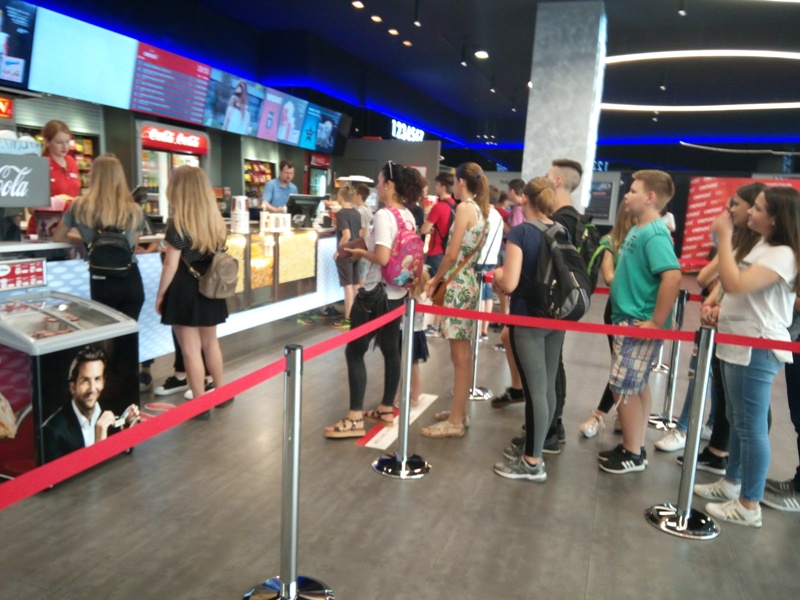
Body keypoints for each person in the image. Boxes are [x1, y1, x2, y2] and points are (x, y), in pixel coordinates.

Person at [695, 186, 800, 527]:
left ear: (776, 218)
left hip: (758, 346)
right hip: (739, 341)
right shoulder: (764, 246)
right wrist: (718, 310)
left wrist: (725, 238)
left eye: (757, 208)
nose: (750, 212)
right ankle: (733, 483)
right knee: (736, 417)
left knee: (750, 426)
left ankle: (749, 504)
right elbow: (740, 294)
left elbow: (736, 284)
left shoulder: (783, 253)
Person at [655, 182, 765, 455]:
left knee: (746, 411)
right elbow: (707, 279)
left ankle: (690, 432)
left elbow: (734, 285)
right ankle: (708, 439)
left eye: (737, 205)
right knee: (717, 385)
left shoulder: (762, 250)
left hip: (749, 335)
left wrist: (725, 241)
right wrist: (710, 303)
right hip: (722, 326)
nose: (729, 210)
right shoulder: (740, 245)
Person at [323, 161, 421, 438]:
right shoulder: (407, 215)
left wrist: (359, 255)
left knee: (355, 351)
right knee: (391, 349)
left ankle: (354, 418)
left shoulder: (384, 215)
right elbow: (378, 243)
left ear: (389, 185)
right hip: (396, 293)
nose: (377, 186)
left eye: (379, 181)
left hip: (374, 293)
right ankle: (386, 408)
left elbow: (382, 257)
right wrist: (352, 246)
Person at [597, 170, 681, 474]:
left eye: (633, 190)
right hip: (628, 318)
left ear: (650, 197)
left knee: (624, 386)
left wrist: (656, 322)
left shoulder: (654, 233)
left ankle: (632, 452)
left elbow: (672, 276)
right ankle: (635, 445)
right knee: (634, 384)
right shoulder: (638, 229)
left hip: (637, 322)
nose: (627, 195)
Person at [492, 177, 563, 482]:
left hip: (528, 318)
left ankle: (532, 462)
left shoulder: (520, 233)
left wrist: (498, 275)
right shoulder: (561, 230)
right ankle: (536, 446)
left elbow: (509, 283)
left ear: (525, 200)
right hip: (556, 317)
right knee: (546, 387)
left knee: (535, 391)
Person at [52, 155, 145, 370]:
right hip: (131, 279)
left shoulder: (79, 206)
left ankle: (104, 383)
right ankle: (127, 383)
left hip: (102, 280)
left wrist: (87, 241)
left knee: (104, 339)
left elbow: (58, 237)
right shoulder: (134, 210)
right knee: (128, 339)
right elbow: (133, 246)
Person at [155, 166, 231, 420]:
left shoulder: (178, 224)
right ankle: (221, 393)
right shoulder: (215, 221)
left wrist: (160, 295)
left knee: (190, 349)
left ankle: (199, 405)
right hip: (210, 286)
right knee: (211, 343)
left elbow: (170, 265)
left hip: (184, 288)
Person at [421, 162, 490, 438]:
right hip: (469, 282)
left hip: (457, 284)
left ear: (461, 182)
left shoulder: (464, 208)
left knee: (459, 355)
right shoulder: (481, 210)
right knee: (463, 354)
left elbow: (451, 254)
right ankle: (458, 412)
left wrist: (434, 280)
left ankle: (455, 421)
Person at [579, 203, 637, 438]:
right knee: (619, 367)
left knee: (630, 369)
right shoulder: (609, 242)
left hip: (640, 312)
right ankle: (599, 416)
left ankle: (619, 414)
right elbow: (609, 277)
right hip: (617, 311)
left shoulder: (645, 240)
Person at [545, 158, 585, 445]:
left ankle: (550, 426)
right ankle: (553, 422)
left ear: (557, 181)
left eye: (548, 175)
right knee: (553, 361)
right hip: (560, 300)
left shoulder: (561, 220)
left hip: (554, 301)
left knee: (551, 363)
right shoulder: (573, 218)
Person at [42, 346, 139, 462]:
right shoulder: (52, 431)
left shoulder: (112, 414)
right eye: (85, 380)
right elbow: (61, 472)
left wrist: (128, 433)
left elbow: (124, 455)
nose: (92, 389)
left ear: (103, 382)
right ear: (73, 387)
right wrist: (99, 446)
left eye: (97, 379)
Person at [27, 120, 81, 237]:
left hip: (69, 228)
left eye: (67, 142)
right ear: (47, 141)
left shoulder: (72, 162)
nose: (65, 147)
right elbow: (31, 208)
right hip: (45, 230)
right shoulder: (40, 164)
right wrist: (59, 202)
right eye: (59, 142)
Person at [332, 186, 362, 330]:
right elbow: (359, 233)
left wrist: (339, 249)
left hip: (345, 252)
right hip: (356, 250)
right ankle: (357, 315)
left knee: (348, 285)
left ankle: (348, 317)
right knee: (355, 283)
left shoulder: (341, 213)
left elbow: (346, 234)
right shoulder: (356, 212)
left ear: (341, 197)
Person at [476, 188, 504, 339]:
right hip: (492, 259)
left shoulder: (482, 214)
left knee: (480, 295)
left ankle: (477, 328)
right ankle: (484, 329)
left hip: (480, 259)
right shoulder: (499, 216)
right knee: (488, 295)